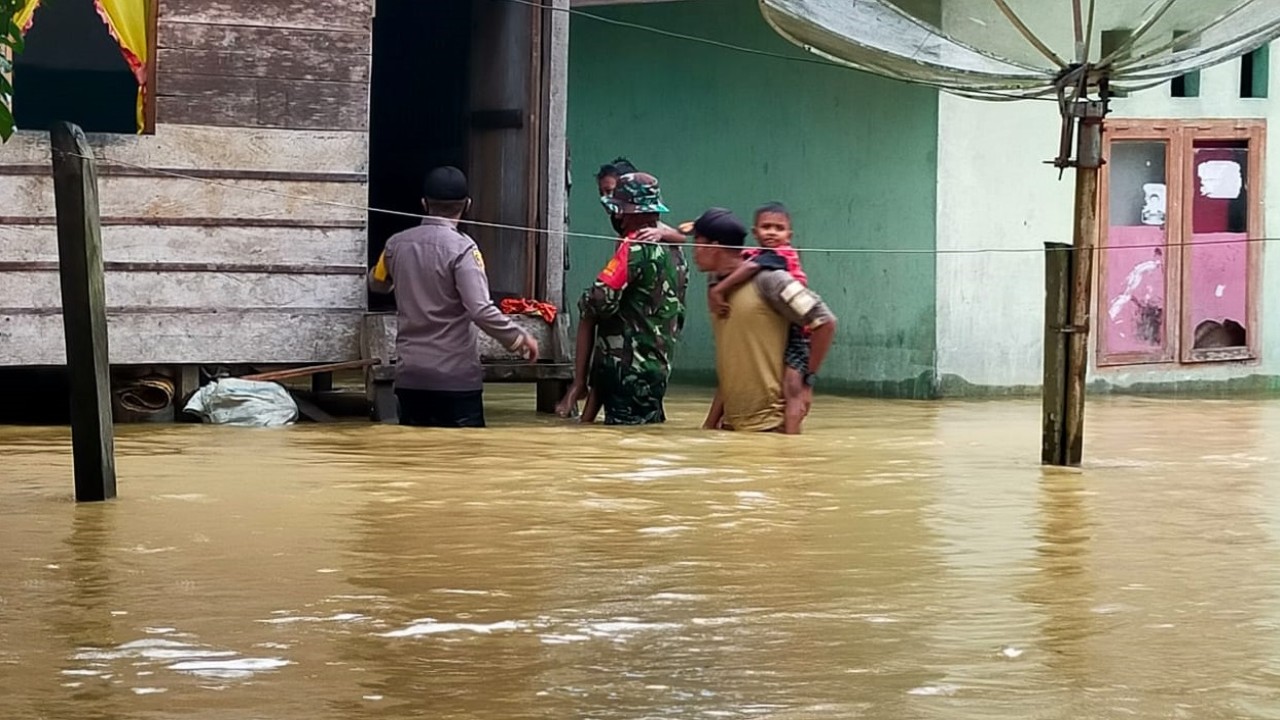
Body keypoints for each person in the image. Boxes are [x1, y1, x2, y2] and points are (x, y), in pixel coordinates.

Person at [368, 166, 539, 428]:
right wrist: (517, 338)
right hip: (456, 381)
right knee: (463, 452)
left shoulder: (395, 244)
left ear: (424, 203)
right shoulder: (464, 249)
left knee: (413, 451)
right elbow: (480, 309)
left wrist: (399, 278)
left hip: (410, 379)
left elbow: (377, 283)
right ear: (467, 205)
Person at [556, 159, 683, 420]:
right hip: (657, 367)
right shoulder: (677, 252)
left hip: (628, 370)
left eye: (620, 209)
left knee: (625, 438)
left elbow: (599, 300)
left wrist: (586, 299)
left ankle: (578, 385)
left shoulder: (634, 247)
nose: (618, 216)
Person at [690, 208, 837, 434]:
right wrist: (710, 425)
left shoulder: (771, 280)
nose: (693, 251)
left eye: (696, 243)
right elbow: (733, 363)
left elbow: (825, 322)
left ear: (713, 247)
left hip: (770, 430)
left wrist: (808, 381)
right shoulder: (717, 289)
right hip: (733, 430)